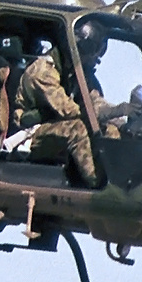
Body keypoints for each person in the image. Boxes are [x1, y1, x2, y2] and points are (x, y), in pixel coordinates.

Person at [13, 37, 100, 186]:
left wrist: (119, 115)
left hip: (54, 128)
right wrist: (101, 113)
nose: (95, 60)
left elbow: (94, 100)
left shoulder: (75, 71)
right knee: (77, 129)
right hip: (30, 134)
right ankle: (98, 185)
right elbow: (68, 109)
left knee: (108, 129)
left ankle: (119, 183)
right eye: (92, 53)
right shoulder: (43, 71)